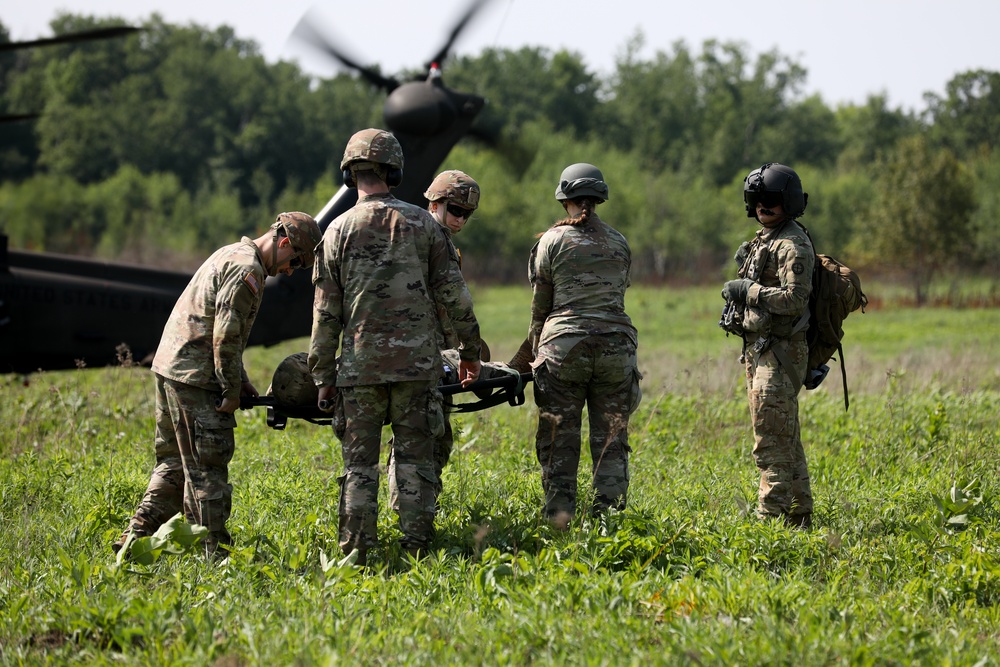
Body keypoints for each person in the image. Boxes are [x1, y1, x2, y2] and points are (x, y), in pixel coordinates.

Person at [309, 128, 482, 565]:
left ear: (350, 172)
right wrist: (470, 351)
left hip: (359, 370)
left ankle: (356, 556)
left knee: (359, 469)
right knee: (414, 463)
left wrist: (322, 377)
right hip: (417, 368)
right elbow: (454, 296)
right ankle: (417, 552)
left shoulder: (336, 231)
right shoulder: (424, 224)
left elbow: (325, 314)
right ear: (394, 170)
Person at [114, 212, 322, 558]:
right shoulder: (248, 271)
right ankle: (213, 556)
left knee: (174, 464)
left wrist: (240, 380)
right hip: (196, 379)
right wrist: (228, 390)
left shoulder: (229, 253)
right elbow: (225, 334)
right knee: (208, 469)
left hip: (171, 370)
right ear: (284, 243)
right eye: (296, 263)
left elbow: (220, 326)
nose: (290, 271)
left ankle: (135, 537)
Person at [528, 163, 641, 528]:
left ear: (564, 197)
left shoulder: (552, 241)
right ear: (599, 197)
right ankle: (610, 524)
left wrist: (534, 353)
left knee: (560, 439)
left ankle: (560, 521)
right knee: (611, 440)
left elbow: (540, 308)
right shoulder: (619, 241)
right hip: (616, 350)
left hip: (564, 349)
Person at [722, 162, 815, 528]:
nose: (763, 206)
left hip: (780, 354)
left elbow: (795, 299)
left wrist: (750, 291)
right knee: (785, 438)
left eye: (771, 199)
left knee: (771, 443)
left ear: (788, 202)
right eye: (757, 199)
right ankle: (799, 516)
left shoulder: (792, 244)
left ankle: (771, 523)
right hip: (761, 350)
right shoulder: (767, 238)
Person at [385, 169, 483, 511]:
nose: (460, 219)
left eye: (467, 214)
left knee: (426, 436)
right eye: (455, 210)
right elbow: (457, 303)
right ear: (434, 202)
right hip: (421, 355)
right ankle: (411, 521)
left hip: (420, 352)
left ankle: (415, 514)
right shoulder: (427, 239)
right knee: (422, 439)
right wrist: (470, 352)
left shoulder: (409, 233)